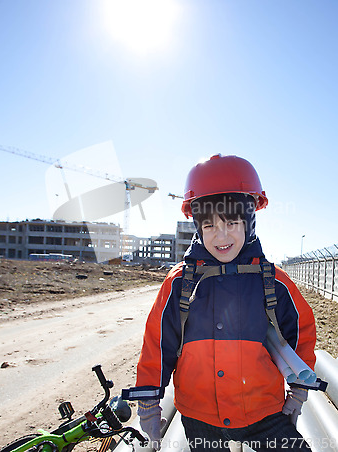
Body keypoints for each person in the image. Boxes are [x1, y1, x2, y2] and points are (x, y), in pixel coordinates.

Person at [122, 154, 316, 451]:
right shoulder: (179, 283)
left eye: (231, 222)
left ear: (249, 223)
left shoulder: (273, 281)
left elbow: (301, 333)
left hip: (264, 413)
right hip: (200, 419)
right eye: (210, 225)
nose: (221, 235)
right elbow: (157, 344)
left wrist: (299, 391)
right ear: (198, 227)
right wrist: (149, 401)